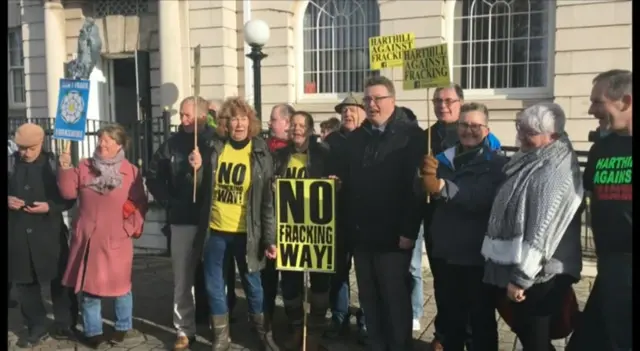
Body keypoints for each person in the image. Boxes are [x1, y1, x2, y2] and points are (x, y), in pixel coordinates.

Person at [332, 76, 426, 350]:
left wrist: (409, 232)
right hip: (362, 236)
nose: (371, 104)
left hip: (394, 237)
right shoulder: (357, 137)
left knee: (394, 300)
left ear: (392, 101)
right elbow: (349, 182)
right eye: (368, 99)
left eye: (377, 99)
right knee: (369, 299)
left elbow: (415, 191)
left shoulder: (411, 137)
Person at [481, 103, 584, 351]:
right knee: (529, 334)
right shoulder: (535, 156)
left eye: (529, 132)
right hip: (532, 266)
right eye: (521, 129)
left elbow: (542, 230)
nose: (521, 137)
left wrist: (521, 278)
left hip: (543, 270)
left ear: (553, 136)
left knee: (535, 338)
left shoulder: (554, 171)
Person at [190, 97, 279, 351]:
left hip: (247, 233)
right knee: (214, 284)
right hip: (215, 231)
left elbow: (267, 204)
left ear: (250, 122)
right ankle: (221, 336)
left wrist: (269, 239)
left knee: (253, 284)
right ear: (225, 123)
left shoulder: (261, 152)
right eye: (233, 119)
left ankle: (263, 332)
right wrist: (196, 170)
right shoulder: (214, 148)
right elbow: (199, 191)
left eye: (243, 118)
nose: (238, 124)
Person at [422, 103, 506, 350]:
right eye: (463, 125)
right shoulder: (442, 160)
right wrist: (421, 180)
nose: (469, 130)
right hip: (446, 255)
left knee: (481, 323)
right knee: (451, 321)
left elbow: (480, 198)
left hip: (477, 256)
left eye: (475, 126)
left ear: (487, 130)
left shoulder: (496, 164)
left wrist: (440, 188)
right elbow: (425, 199)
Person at [58, 124, 148, 348]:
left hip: (117, 238)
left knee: (121, 288)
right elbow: (68, 192)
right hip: (88, 239)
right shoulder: (84, 166)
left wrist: (128, 228)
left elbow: (140, 204)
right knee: (90, 291)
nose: (102, 143)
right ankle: (93, 332)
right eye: (100, 139)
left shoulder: (130, 171)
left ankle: (123, 327)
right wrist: (65, 167)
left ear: (119, 144)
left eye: (107, 140)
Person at [145, 96, 218, 350]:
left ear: (201, 116)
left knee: (216, 276)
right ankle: (184, 328)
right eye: (181, 114)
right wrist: (169, 202)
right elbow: (153, 176)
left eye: (187, 115)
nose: (182, 119)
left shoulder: (215, 142)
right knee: (182, 277)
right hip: (182, 218)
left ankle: (219, 324)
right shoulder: (171, 145)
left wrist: (204, 168)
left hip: (213, 218)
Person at [567, 69, 632, 351]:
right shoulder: (602, 148)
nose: (592, 110)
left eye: (598, 102)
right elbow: (583, 195)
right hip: (610, 264)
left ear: (625, 101)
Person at [8, 123, 79, 347]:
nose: (24, 153)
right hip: (18, 232)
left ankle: (65, 323)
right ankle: (36, 326)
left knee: (60, 280)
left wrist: (50, 206)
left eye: (30, 148)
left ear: (41, 144)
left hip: (50, 231)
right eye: (21, 148)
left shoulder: (53, 164)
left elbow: (70, 196)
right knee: (25, 283)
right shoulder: (10, 162)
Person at [273, 111, 332, 349]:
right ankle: (296, 328)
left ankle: (315, 330)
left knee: (319, 282)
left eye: (301, 125)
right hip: (288, 231)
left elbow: (335, 185)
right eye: (293, 125)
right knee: (290, 283)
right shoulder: (279, 156)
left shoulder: (324, 155)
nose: (297, 129)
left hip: (317, 230)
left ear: (309, 129)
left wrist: (335, 185)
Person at [421, 83, 466, 351]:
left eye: (449, 100)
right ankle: (444, 333)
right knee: (442, 282)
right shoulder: (426, 135)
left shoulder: (470, 132)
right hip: (435, 220)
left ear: (460, 102)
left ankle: (462, 335)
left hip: (464, 220)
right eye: (438, 100)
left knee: (466, 285)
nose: (443, 105)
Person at [323, 94, 368, 344]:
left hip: (363, 218)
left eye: (352, 110)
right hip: (336, 218)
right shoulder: (331, 141)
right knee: (338, 273)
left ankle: (365, 319)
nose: (348, 114)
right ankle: (339, 316)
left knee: (364, 274)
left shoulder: (370, 138)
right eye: (344, 111)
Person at [262, 103, 296, 332]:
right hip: (269, 221)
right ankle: (266, 320)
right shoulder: (264, 148)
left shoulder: (297, 151)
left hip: (291, 224)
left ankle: (295, 324)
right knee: (267, 277)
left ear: (286, 122)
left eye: (273, 119)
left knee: (292, 279)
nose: (269, 123)